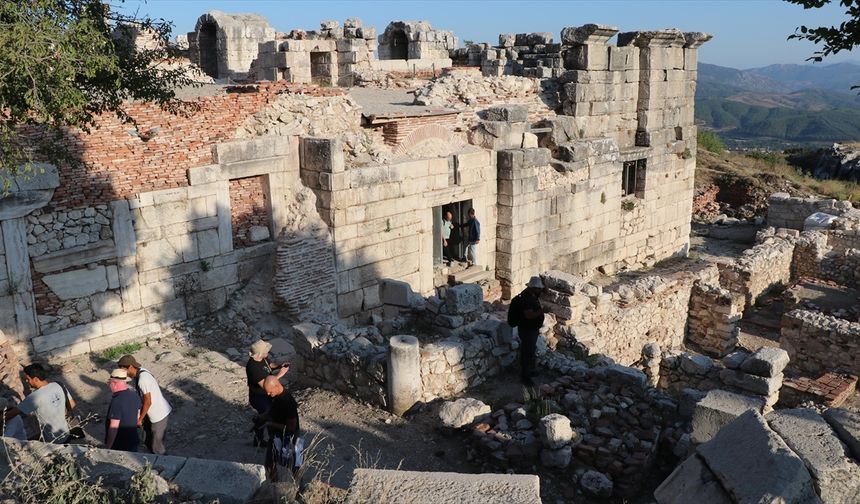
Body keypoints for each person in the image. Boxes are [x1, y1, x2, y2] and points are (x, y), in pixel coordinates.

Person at [2, 363, 69, 442]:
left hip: (53, 441)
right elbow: (70, 406)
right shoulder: (57, 385)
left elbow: (10, 415)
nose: (26, 381)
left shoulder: (35, 397)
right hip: (66, 433)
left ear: (36, 379)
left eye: (28, 379)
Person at [118, 355, 171, 455]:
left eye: (123, 370)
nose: (123, 373)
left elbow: (148, 401)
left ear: (130, 367)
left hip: (158, 415)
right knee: (148, 439)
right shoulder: (141, 371)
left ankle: (162, 462)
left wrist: (140, 419)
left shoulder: (143, 379)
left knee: (157, 446)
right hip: (152, 413)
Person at [253, 376, 300, 482]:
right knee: (269, 464)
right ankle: (275, 487)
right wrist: (261, 417)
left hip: (289, 437)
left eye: (269, 392)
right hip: (276, 436)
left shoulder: (288, 402)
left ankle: (298, 490)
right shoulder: (275, 396)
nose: (268, 394)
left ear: (277, 386)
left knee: (293, 465)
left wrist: (270, 424)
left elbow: (291, 428)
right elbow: (272, 411)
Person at [246, 340, 290, 446]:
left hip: (267, 396)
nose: (268, 352)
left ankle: (264, 435)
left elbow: (269, 365)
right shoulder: (253, 368)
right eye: (266, 351)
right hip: (259, 397)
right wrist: (280, 374)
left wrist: (279, 366)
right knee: (269, 415)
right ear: (260, 353)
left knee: (269, 415)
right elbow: (266, 386)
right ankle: (265, 439)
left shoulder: (262, 359)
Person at [507, 276, 545, 386]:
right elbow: (529, 315)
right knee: (527, 352)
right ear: (533, 288)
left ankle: (531, 371)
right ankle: (525, 376)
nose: (540, 291)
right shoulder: (526, 298)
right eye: (539, 289)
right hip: (527, 330)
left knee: (531, 350)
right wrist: (543, 311)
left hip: (532, 329)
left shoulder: (531, 295)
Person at [104, 368, 142, 452]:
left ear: (114, 383)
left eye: (109, 383)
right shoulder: (135, 396)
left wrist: (108, 448)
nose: (109, 385)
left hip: (120, 445)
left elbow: (113, 427)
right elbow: (138, 417)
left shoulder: (117, 401)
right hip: (133, 441)